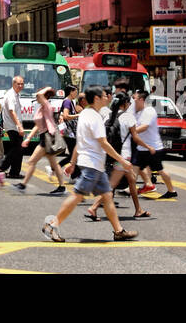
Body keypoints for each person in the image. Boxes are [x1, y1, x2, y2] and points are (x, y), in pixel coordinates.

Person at [41, 87, 139, 243]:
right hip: (92, 165)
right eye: (104, 96)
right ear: (96, 99)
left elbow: (80, 142)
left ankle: (118, 231)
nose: (107, 98)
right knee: (77, 196)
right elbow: (103, 143)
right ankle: (52, 225)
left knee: (107, 197)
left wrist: (73, 163)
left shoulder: (85, 114)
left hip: (94, 165)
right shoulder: (94, 117)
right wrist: (122, 160)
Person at [84, 91, 149, 221]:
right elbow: (135, 136)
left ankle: (138, 210)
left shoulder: (108, 116)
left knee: (131, 180)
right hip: (124, 156)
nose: (130, 104)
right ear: (125, 103)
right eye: (129, 102)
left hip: (111, 154)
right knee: (112, 184)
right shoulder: (129, 117)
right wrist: (148, 147)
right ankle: (94, 207)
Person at [16, 86, 69, 194]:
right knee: (54, 164)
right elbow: (37, 125)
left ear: (43, 97)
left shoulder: (47, 106)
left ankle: (23, 185)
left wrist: (48, 88)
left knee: (32, 161)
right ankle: (62, 187)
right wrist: (29, 138)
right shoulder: (41, 108)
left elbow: (40, 94)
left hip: (47, 137)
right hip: (45, 136)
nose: (36, 97)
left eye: (38, 96)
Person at [131, 90, 176, 199]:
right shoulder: (138, 111)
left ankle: (171, 190)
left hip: (153, 148)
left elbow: (144, 126)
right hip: (142, 147)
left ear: (141, 99)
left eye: (135, 98)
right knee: (135, 167)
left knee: (160, 170)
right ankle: (140, 186)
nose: (133, 101)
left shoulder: (149, 111)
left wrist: (131, 131)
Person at [0, 76, 28, 180]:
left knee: (19, 149)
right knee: (17, 148)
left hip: (15, 125)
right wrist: (19, 126)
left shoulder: (16, 95)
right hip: (12, 126)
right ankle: (2, 167)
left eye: (22, 84)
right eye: (18, 84)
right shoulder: (10, 95)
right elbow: (12, 111)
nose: (20, 86)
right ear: (13, 84)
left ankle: (14, 172)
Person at [58, 85, 80, 157]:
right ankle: (55, 167)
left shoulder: (70, 101)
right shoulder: (67, 101)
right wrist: (78, 115)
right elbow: (66, 116)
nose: (76, 94)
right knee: (73, 155)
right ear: (71, 92)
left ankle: (56, 167)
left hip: (70, 131)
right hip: (69, 131)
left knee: (73, 155)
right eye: (76, 92)